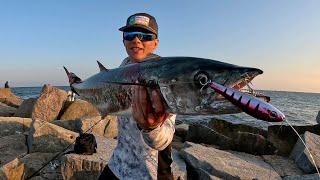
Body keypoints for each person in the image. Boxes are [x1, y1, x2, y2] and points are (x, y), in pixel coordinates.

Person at [98, 13, 176, 180]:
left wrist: (152, 128)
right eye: (130, 35)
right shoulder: (124, 65)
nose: (136, 40)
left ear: (156, 43)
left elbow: (165, 139)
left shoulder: (166, 73)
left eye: (145, 36)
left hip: (149, 172)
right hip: (119, 163)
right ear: (123, 40)